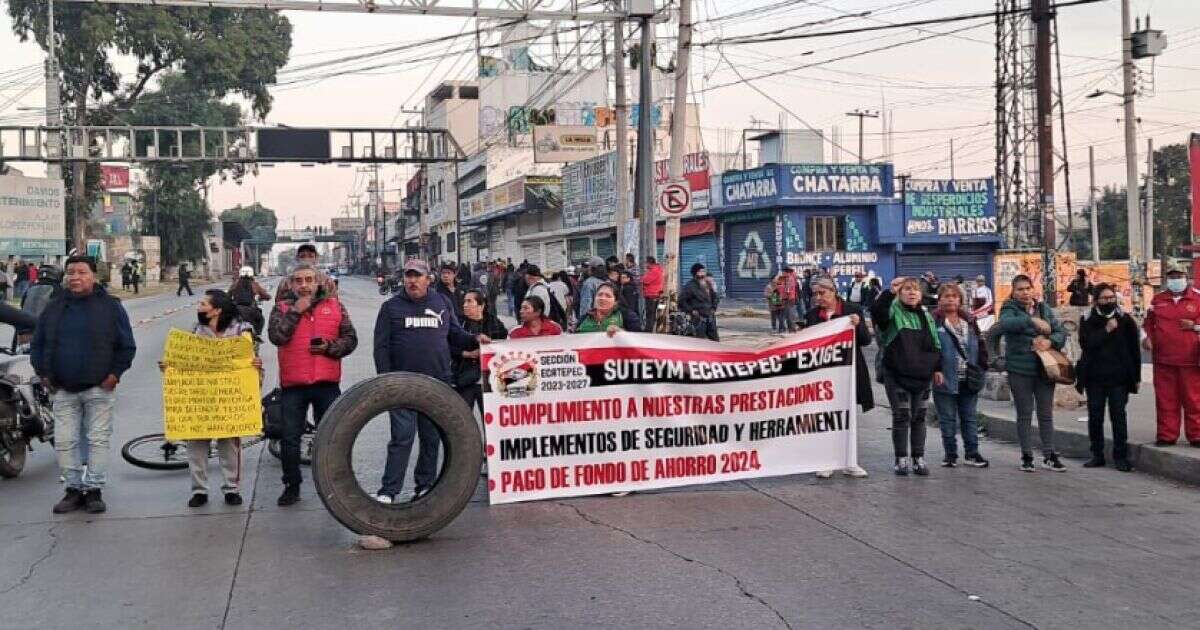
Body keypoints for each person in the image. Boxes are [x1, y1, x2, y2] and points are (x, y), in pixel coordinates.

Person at [373, 259, 485, 503]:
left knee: (431, 438)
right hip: (402, 384)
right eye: (408, 276)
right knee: (402, 438)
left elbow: (455, 334)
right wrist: (385, 381)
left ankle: (425, 486)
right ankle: (388, 491)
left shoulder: (441, 302)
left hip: (437, 383)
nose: (412, 281)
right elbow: (380, 348)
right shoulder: (391, 307)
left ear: (428, 279)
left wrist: (476, 339)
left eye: (417, 276)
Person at [32, 256, 137, 514]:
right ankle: (73, 489)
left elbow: (126, 345)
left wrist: (114, 375)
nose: (75, 277)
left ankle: (93, 490)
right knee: (65, 442)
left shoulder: (111, 307)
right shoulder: (54, 307)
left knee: (97, 440)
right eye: (70, 273)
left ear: (94, 276)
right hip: (63, 388)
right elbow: (38, 343)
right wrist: (44, 373)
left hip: (98, 388)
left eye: (81, 272)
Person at [268, 263, 358, 506]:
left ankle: (336, 484)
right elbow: (277, 337)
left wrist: (330, 348)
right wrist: (296, 311)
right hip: (293, 385)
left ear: (317, 282)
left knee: (333, 437)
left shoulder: (335, 306)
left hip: (326, 384)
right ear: (292, 284)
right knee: (289, 438)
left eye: (309, 280)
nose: (304, 285)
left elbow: (351, 339)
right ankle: (292, 485)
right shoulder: (281, 308)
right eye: (298, 281)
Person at [168, 290, 263, 507]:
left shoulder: (242, 331)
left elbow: (251, 359)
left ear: (217, 310)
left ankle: (231, 488)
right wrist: (171, 366)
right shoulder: (196, 331)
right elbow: (187, 361)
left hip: (230, 398)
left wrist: (255, 363)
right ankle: (199, 490)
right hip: (202, 397)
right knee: (196, 446)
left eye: (203, 303)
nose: (199, 306)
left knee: (229, 445)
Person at [871, 276, 943, 476]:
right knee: (902, 416)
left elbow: (936, 344)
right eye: (907, 289)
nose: (912, 293)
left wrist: (938, 368)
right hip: (896, 374)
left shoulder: (926, 316)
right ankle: (901, 459)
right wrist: (889, 292)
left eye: (916, 290)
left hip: (922, 375)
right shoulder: (893, 311)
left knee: (919, 417)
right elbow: (878, 315)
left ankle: (918, 457)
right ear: (900, 293)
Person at [997, 274, 1068, 472]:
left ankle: (1049, 454)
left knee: (1046, 414)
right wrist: (1033, 322)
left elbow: (1060, 332)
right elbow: (1006, 324)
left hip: (1045, 369)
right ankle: (1027, 455)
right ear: (1013, 291)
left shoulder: (1044, 308)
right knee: (1024, 414)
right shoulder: (1009, 308)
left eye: (1027, 288)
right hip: (1020, 369)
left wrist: (1050, 341)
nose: (1025, 292)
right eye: (1020, 289)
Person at [805, 276, 872, 479]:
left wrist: (858, 325)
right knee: (826, 418)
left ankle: (849, 461)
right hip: (824, 374)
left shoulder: (852, 310)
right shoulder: (812, 315)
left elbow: (865, 341)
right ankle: (827, 461)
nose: (818, 298)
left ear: (833, 292)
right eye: (815, 294)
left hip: (849, 372)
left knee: (848, 417)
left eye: (822, 293)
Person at [1076, 284, 1139, 471]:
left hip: (1119, 378)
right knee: (1095, 417)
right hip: (1095, 377)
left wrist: (1135, 377)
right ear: (1096, 300)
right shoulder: (1087, 319)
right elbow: (1086, 344)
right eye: (1104, 298)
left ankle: (1120, 456)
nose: (1109, 301)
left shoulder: (1125, 319)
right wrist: (1106, 331)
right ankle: (1097, 454)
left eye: (1111, 297)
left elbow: (1134, 350)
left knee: (1118, 417)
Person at [1142, 261, 1200, 447]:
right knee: (1166, 399)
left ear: (1187, 277)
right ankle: (1166, 435)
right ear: (1167, 279)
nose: (1176, 280)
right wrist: (1146, 338)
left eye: (1179, 276)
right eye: (1172, 277)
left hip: (1191, 360)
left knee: (1194, 399)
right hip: (1163, 360)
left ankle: (1196, 435)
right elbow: (1147, 324)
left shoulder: (1198, 298)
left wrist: (1195, 326)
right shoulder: (1157, 300)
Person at [932, 284, 990, 469]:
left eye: (954, 296)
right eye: (946, 296)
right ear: (939, 299)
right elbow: (929, 348)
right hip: (945, 378)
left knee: (970, 417)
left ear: (960, 300)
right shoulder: (934, 321)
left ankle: (972, 453)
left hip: (969, 378)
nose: (950, 299)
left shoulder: (970, 321)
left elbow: (981, 345)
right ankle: (950, 454)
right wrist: (935, 369)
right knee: (947, 418)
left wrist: (982, 366)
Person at [453, 290, 508, 419]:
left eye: (469, 301)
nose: (465, 305)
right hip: (464, 378)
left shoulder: (494, 322)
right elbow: (448, 346)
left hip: (489, 379)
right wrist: (466, 354)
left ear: (481, 306)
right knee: (463, 420)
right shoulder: (458, 323)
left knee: (491, 421)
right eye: (464, 301)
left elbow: (504, 344)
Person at [679, 263, 720, 341]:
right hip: (699, 320)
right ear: (695, 273)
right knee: (700, 342)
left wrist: (714, 308)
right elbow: (681, 302)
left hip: (710, 318)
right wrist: (691, 310)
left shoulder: (708, 284)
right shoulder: (690, 286)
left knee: (715, 342)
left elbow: (715, 297)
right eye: (700, 272)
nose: (703, 274)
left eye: (703, 271)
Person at [229, 267, 271, 336]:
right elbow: (267, 296)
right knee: (261, 320)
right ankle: (257, 335)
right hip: (251, 310)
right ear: (251, 274)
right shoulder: (254, 284)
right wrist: (262, 297)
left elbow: (228, 296)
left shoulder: (235, 284)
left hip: (236, 310)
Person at [577, 256, 607, 321]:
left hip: (592, 321)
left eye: (588, 267)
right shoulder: (608, 282)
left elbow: (585, 307)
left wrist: (581, 323)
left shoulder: (589, 283)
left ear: (592, 269)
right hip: (606, 319)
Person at [641, 256, 664, 330]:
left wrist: (643, 278)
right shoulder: (656, 269)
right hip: (654, 295)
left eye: (646, 263)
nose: (645, 265)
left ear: (649, 263)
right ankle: (652, 329)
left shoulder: (654, 270)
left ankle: (649, 330)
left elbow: (645, 280)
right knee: (653, 313)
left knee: (650, 314)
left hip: (652, 295)